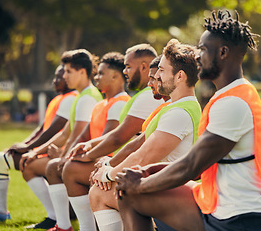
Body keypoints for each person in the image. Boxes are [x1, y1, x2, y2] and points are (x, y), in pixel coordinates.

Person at [116, 10, 261, 231]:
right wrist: (148, 172)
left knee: (133, 190)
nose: (197, 56)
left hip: (245, 219)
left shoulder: (234, 103)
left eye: (203, 50)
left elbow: (191, 166)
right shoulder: (226, 96)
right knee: (129, 194)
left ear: (223, 52)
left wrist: (140, 183)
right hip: (219, 208)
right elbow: (193, 166)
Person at [89, 39, 201, 231]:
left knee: (99, 192)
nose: (156, 75)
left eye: (162, 70)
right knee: (106, 189)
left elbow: (144, 156)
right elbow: (140, 145)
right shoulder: (174, 107)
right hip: (163, 186)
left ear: (180, 76)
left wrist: (107, 174)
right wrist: (109, 166)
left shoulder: (179, 113)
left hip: (173, 193)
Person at [59, 44, 164, 231]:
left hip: (140, 168)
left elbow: (119, 137)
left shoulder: (148, 96)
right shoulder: (142, 95)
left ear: (144, 66)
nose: (125, 72)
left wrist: (95, 159)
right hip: (131, 162)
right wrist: (90, 148)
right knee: (77, 170)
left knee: (74, 170)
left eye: (128, 67)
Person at [0, 65, 77, 223]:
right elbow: (42, 128)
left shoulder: (72, 98)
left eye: (59, 77)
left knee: (4, 161)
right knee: (3, 159)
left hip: (55, 154)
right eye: (55, 77)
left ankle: (54, 216)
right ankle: (55, 215)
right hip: (44, 151)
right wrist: (23, 145)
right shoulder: (60, 98)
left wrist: (28, 148)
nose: (54, 81)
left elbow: (53, 131)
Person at [44, 52, 130, 231]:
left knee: (71, 169)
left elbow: (110, 139)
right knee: (57, 166)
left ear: (115, 76)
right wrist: (67, 154)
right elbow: (83, 136)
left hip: (113, 161)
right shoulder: (101, 104)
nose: (96, 77)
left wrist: (84, 157)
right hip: (98, 158)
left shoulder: (120, 102)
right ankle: (65, 225)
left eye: (101, 74)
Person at [19, 49, 104, 229]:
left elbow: (79, 136)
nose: (64, 76)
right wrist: (35, 152)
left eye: (68, 71)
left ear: (82, 72)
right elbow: (65, 134)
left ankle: (61, 223)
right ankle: (60, 221)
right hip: (80, 155)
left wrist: (63, 156)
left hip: (89, 158)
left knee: (47, 166)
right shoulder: (81, 95)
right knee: (31, 162)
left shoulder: (87, 98)